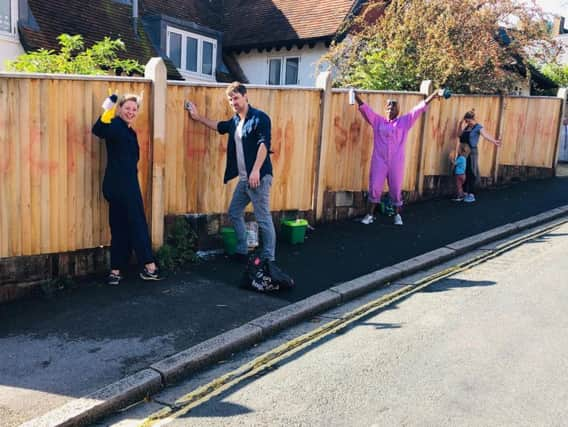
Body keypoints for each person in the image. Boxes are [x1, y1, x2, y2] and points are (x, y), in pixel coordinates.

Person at [186, 82, 276, 264]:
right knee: (234, 212)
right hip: (245, 179)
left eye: (236, 98)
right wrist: (197, 117)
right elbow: (218, 126)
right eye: (230, 99)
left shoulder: (260, 118)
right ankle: (242, 250)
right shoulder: (235, 121)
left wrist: (256, 170)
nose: (233, 102)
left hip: (259, 176)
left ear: (245, 96)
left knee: (263, 218)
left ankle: (269, 257)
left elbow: (263, 144)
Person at [92, 94, 162, 285]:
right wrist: (108, 107)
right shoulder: (115, 125)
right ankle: (150, 267)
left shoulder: (129, 132)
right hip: (124, 186)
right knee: (137, 223)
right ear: (120, 109)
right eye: (127, 108)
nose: (131, 112)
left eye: (134, 109)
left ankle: (115, 271)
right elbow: (98, 129)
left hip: (117, 185)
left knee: (120, 227)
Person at [354, 89, 442, 226]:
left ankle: (397, 215)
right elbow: (366, 110)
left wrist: (434, 94)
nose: (391, 109)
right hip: (379, 160)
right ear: (385, 108)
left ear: (398, 110)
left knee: (395, 188)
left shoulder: (404, 121)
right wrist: (355, 96)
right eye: (389, 106)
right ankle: (370, 214)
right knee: (375, 186)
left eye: (394, 107)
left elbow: (418, 108)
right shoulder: (378, 121)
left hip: (396, 161)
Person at [457, 109, 501, 203]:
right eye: (466, 121)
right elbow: (459, 135)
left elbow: (485, 135)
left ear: (473, 119)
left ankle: (471, 194)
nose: (468, 123)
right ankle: (463, 193)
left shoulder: (478, 127)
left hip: (472, 152)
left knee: (471, 172)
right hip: (463, 152)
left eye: (468, 121)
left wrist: (494, 141)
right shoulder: (466, 127)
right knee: (463, 172)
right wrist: (460, 124)